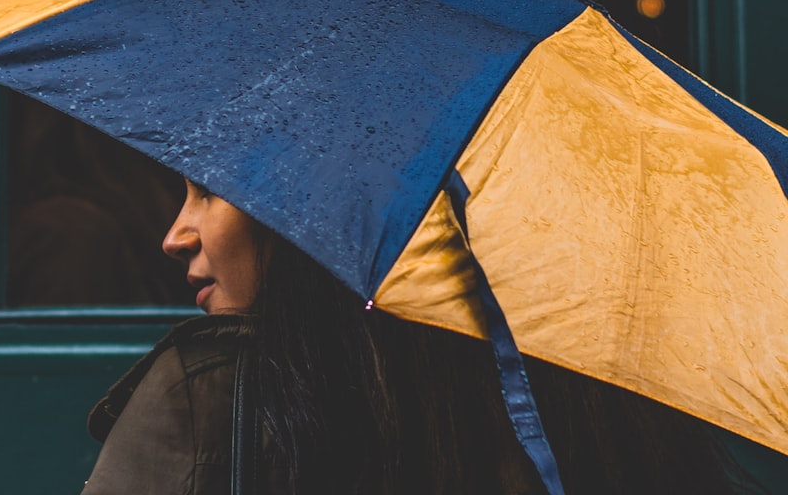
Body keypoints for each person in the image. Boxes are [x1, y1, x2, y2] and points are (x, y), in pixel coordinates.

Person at [80, 180, 764, 495]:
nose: (175, 234)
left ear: (316, 206)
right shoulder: (585, 389)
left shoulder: (210, 392)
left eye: (209, 191)